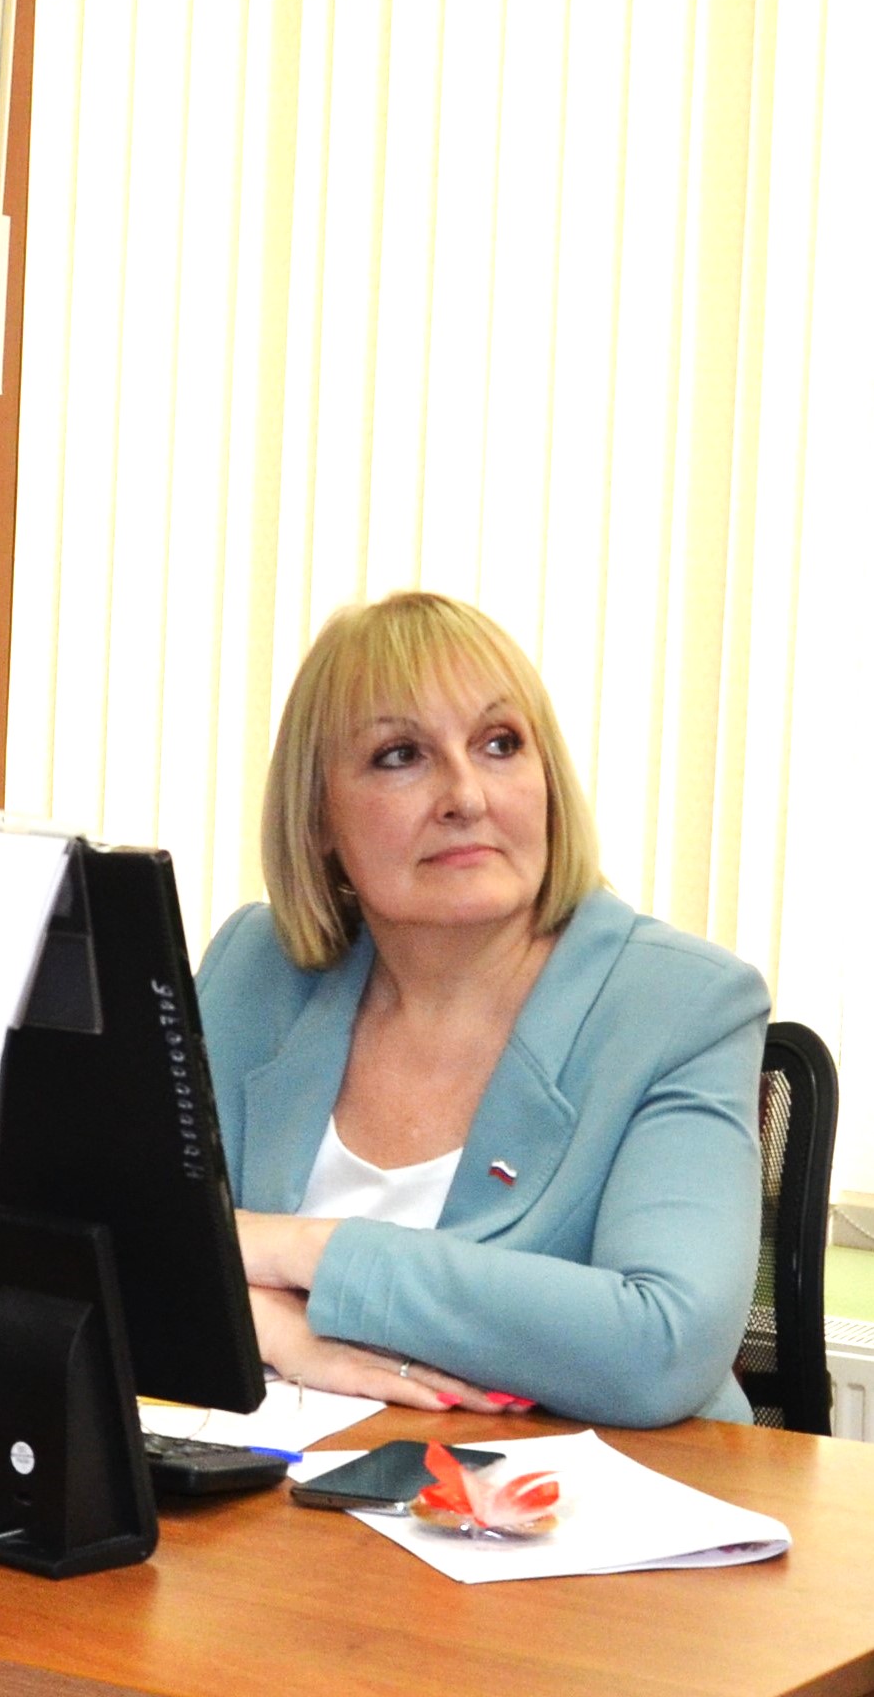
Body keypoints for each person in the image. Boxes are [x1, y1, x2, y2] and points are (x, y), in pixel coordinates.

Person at [198, 591, 766, 1427]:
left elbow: (660, 1345)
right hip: (290, 1485)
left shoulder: (680, 1004)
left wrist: (299, 1249)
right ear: (317, 815)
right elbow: (111, 1241)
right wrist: (271, 1328)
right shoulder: (260, 967)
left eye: (499, 744)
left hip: (589, 1493)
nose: (465, 795)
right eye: (400, 755)